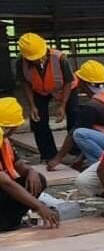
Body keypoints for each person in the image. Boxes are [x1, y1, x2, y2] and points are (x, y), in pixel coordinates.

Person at [47, 61, 104, 169]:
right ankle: (96, 165)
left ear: (83, 82)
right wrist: (80, 159)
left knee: (79, 134)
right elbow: (95, 134)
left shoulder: (92, 106)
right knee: (85, 134)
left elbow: (73, 135)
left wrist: (56, 159)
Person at [15, 33, 76, 166]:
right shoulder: (21, 62)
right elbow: (25, 83)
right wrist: (32, 106)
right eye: (33, 59)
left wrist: (62, 105)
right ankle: (48, 154)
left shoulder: (59, 58)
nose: (37, 60)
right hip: (39, 91)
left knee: (74, 114)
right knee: (37, 119)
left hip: (63, 88)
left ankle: (76, 151)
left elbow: (68, 82)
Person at [0, 97, 60, 232]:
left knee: (38, 179)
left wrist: (31, 172)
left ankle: (8, 223)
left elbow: (18, 164)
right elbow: (4, 181)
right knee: (8, 186)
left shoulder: (5, 141)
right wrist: (39, 207)